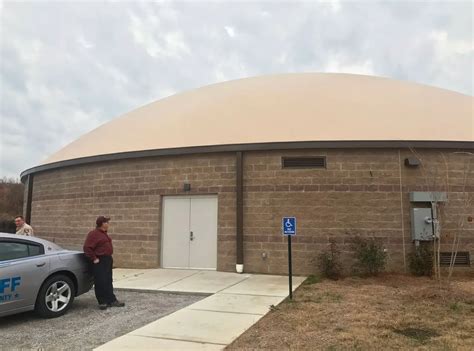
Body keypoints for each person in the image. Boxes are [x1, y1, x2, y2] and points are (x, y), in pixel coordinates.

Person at [83, 216, 125, 310]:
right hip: (99, 260)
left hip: (107, 259)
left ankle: (112, 300)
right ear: (102, 224)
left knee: (108, 280)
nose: (108, 224)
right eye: (107, 222)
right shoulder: (93, 234)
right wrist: (94, 258)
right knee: (100, 281)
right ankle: (102, 302)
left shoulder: (104, 234)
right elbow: (87, 248)